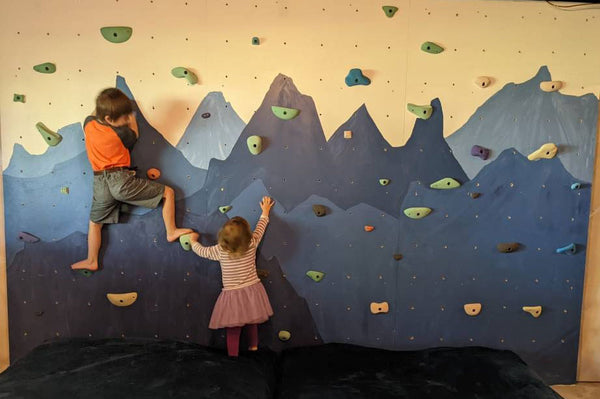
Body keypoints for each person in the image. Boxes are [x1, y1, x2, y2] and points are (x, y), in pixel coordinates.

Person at [71, 88, 191, 271]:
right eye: (123, 117)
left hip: (100, 183)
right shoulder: (122, 135)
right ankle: (171, 231)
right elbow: (135, 133)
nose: (126, 119)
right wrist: (133, 116)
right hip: (121, 180)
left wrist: (107, 105)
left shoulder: (88, 125)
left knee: (95, 223)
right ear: (110, 120)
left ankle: (91, 260)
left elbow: (94, 114)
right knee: (168, 192)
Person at [189, 196, 275, 357]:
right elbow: (261, 228)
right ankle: (254, 347)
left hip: (233, 295)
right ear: (246, 235)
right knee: (252, 320)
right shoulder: (251, 243)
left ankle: (233, 357)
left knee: (233, 330)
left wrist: (193, 241)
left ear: (223, 237)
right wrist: (265, 212)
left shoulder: (220, 250)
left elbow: (202, 251)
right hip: (252, 291)